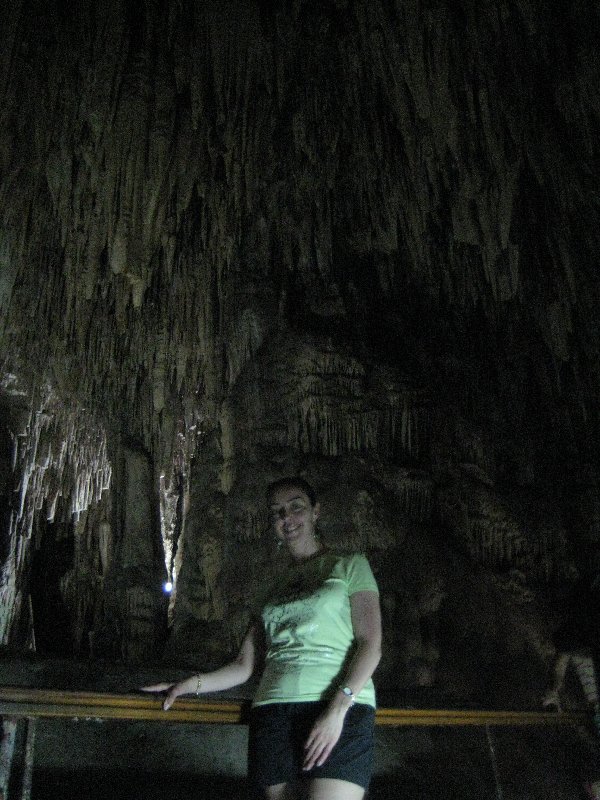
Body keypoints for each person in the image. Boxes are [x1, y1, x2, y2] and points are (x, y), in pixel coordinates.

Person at [142, 476, 382, 799]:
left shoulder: (350, 566)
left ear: (315, 512)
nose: (287, 518)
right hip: (274, 711)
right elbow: (244, 665)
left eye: (296, 507)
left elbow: (371, 644)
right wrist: (188, 684)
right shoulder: (270, 588)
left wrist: (337, 711)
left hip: (339, 708)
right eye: (277, 512)